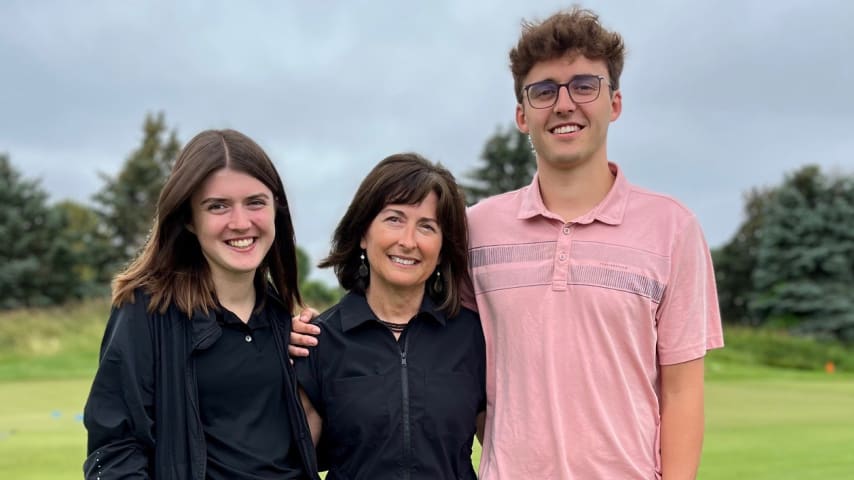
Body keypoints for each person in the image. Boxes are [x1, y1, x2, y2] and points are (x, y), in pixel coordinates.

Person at [292, 7, 723, 480]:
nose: (564, 104)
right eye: (544, 91)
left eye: (584, 85)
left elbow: (683, 392)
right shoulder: (477, 229)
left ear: (614, 103)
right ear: (522, 114)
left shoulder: (673, 229)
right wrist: (310, 330)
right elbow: (410, 315)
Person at [83, 129, 320, 480]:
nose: (241, 223)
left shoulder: (282, 320)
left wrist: (314, 374)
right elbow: (115, 449)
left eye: (255, 202)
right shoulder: (146, 310)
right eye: (218, 206)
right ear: (189, 219)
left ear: (276, 210)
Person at [293, 153, 485, 479]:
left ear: (441, 249)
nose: (408, 241)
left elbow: (509, 454)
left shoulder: (473, 337)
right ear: (363, 234)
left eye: (427, 226)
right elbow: (288, 467)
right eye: (394, 219)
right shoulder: (317, 342)